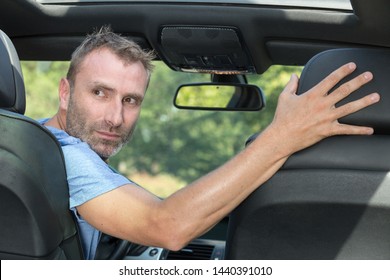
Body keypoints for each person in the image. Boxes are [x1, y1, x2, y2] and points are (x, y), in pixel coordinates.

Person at [40, 26, 380, 259]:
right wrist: (284, 134)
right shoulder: (65, 155)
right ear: (66, 93)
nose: (115, 117)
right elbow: (167, 226)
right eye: (100, 92)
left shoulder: (27, 145)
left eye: (131, 100)